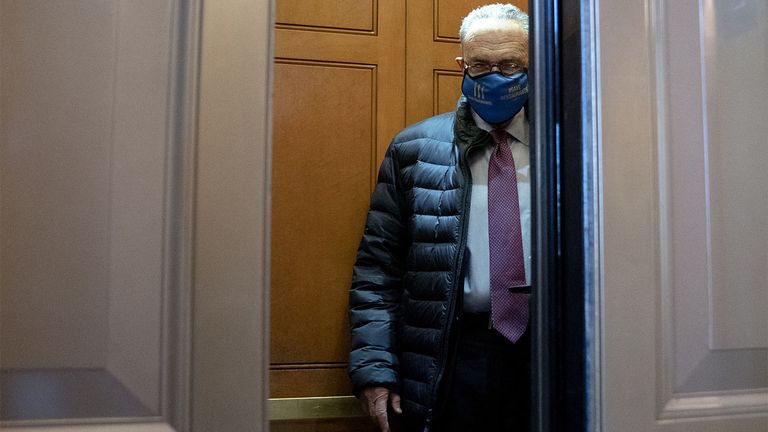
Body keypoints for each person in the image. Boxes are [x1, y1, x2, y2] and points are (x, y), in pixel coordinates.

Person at [348, 3, 531, 432]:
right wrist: (374, 368)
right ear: (460, 65)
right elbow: (377, 270)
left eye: (510, 64)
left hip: (546, 353)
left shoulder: (570, 146)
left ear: (532, 63)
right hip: (451, 355)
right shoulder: (413, 149)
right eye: (481, 65)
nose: (495, 76)